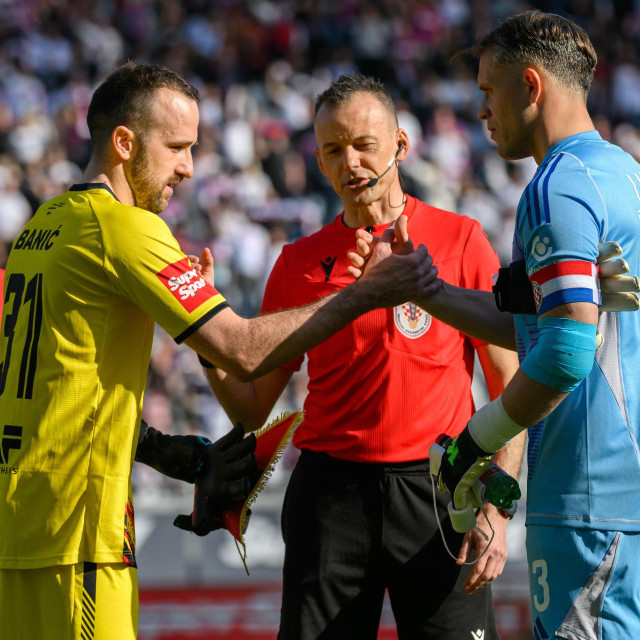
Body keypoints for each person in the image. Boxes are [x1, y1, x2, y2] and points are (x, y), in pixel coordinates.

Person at [0, 63, 437, 640]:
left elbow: (56, 378)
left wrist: (161, 449)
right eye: (177, 147)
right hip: (76, 533)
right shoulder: (125, 228)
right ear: (125, 143)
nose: (187, 166)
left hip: (21, 522)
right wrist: (364, 294)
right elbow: (243, 352)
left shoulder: (42, 226)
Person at [203, 72, 524, 640]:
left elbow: (509, 389)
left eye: (363, 145)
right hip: (331, 499)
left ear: (400, 145)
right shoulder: (297, 263)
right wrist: (203, 336)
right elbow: (252, 409)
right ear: (320, 163)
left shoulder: (460, 238)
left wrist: (497, 510)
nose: (349, 162)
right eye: (333, 149)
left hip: (439, 491)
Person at [350, 11, 640, 638]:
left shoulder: (555, 187)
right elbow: (550, 329)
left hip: (587, 499)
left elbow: (566, 353)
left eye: (487, 91)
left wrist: (473, 443)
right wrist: (422, 289)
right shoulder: (625, 174)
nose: (481, 110)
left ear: (530, 86)